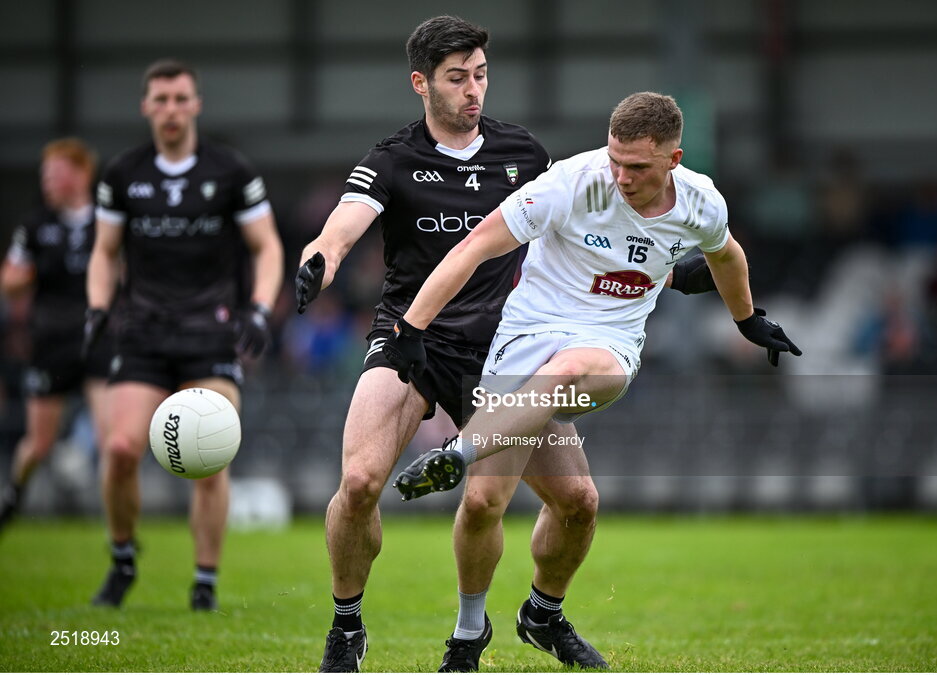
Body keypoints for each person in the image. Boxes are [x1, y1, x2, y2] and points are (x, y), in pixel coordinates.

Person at [295, 19, 719, 673]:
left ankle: (540, 615)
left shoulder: (524, 154)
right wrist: (321, 256)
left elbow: (585, 233)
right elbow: (343, 226)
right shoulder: (391, 157)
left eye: (481, 75)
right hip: (411, 339)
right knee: (357, 482)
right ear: (422, 84)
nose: (474, 90)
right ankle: (347, 626)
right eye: (458, 77)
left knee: (578, 504)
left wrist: (667, 268)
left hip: (505, 351)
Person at [385, 94, 800, 650]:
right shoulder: (570, 183)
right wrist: (410, 330)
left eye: (638, 167)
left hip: (608, 346)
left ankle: (456, 455)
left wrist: (748, 321)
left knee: (570, 370)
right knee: (538, 503)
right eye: (615, 160)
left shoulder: (702, 202)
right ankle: (482, 630)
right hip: (528, 337)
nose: (622, 177)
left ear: (674, 160)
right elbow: (475, 247)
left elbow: (727, 256)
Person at [85, 59, 283, 611]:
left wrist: (261, 309)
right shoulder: (123, 173)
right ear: (146, 107)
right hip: (143, 334)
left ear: (195, 105)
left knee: (208, 454)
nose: (171, 110)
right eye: (161, 100)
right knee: (121, 448)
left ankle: (205, 582)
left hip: (210, 336)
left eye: (180, 99)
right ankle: (123, 559)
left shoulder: (231, 171)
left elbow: (266, 246)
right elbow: (103, 252)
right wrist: (97, 307)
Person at [0, 138, 110, 532]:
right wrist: (22, 276)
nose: (48, 181)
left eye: (56, 172)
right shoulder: (35, 226)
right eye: (45, 174)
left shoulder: (107, 220)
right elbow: (10, 281)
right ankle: (14, 494)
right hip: (50, 342)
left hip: (99, 338)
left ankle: (116, 531)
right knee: (39, 443)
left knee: (111, 438)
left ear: (81, 174)